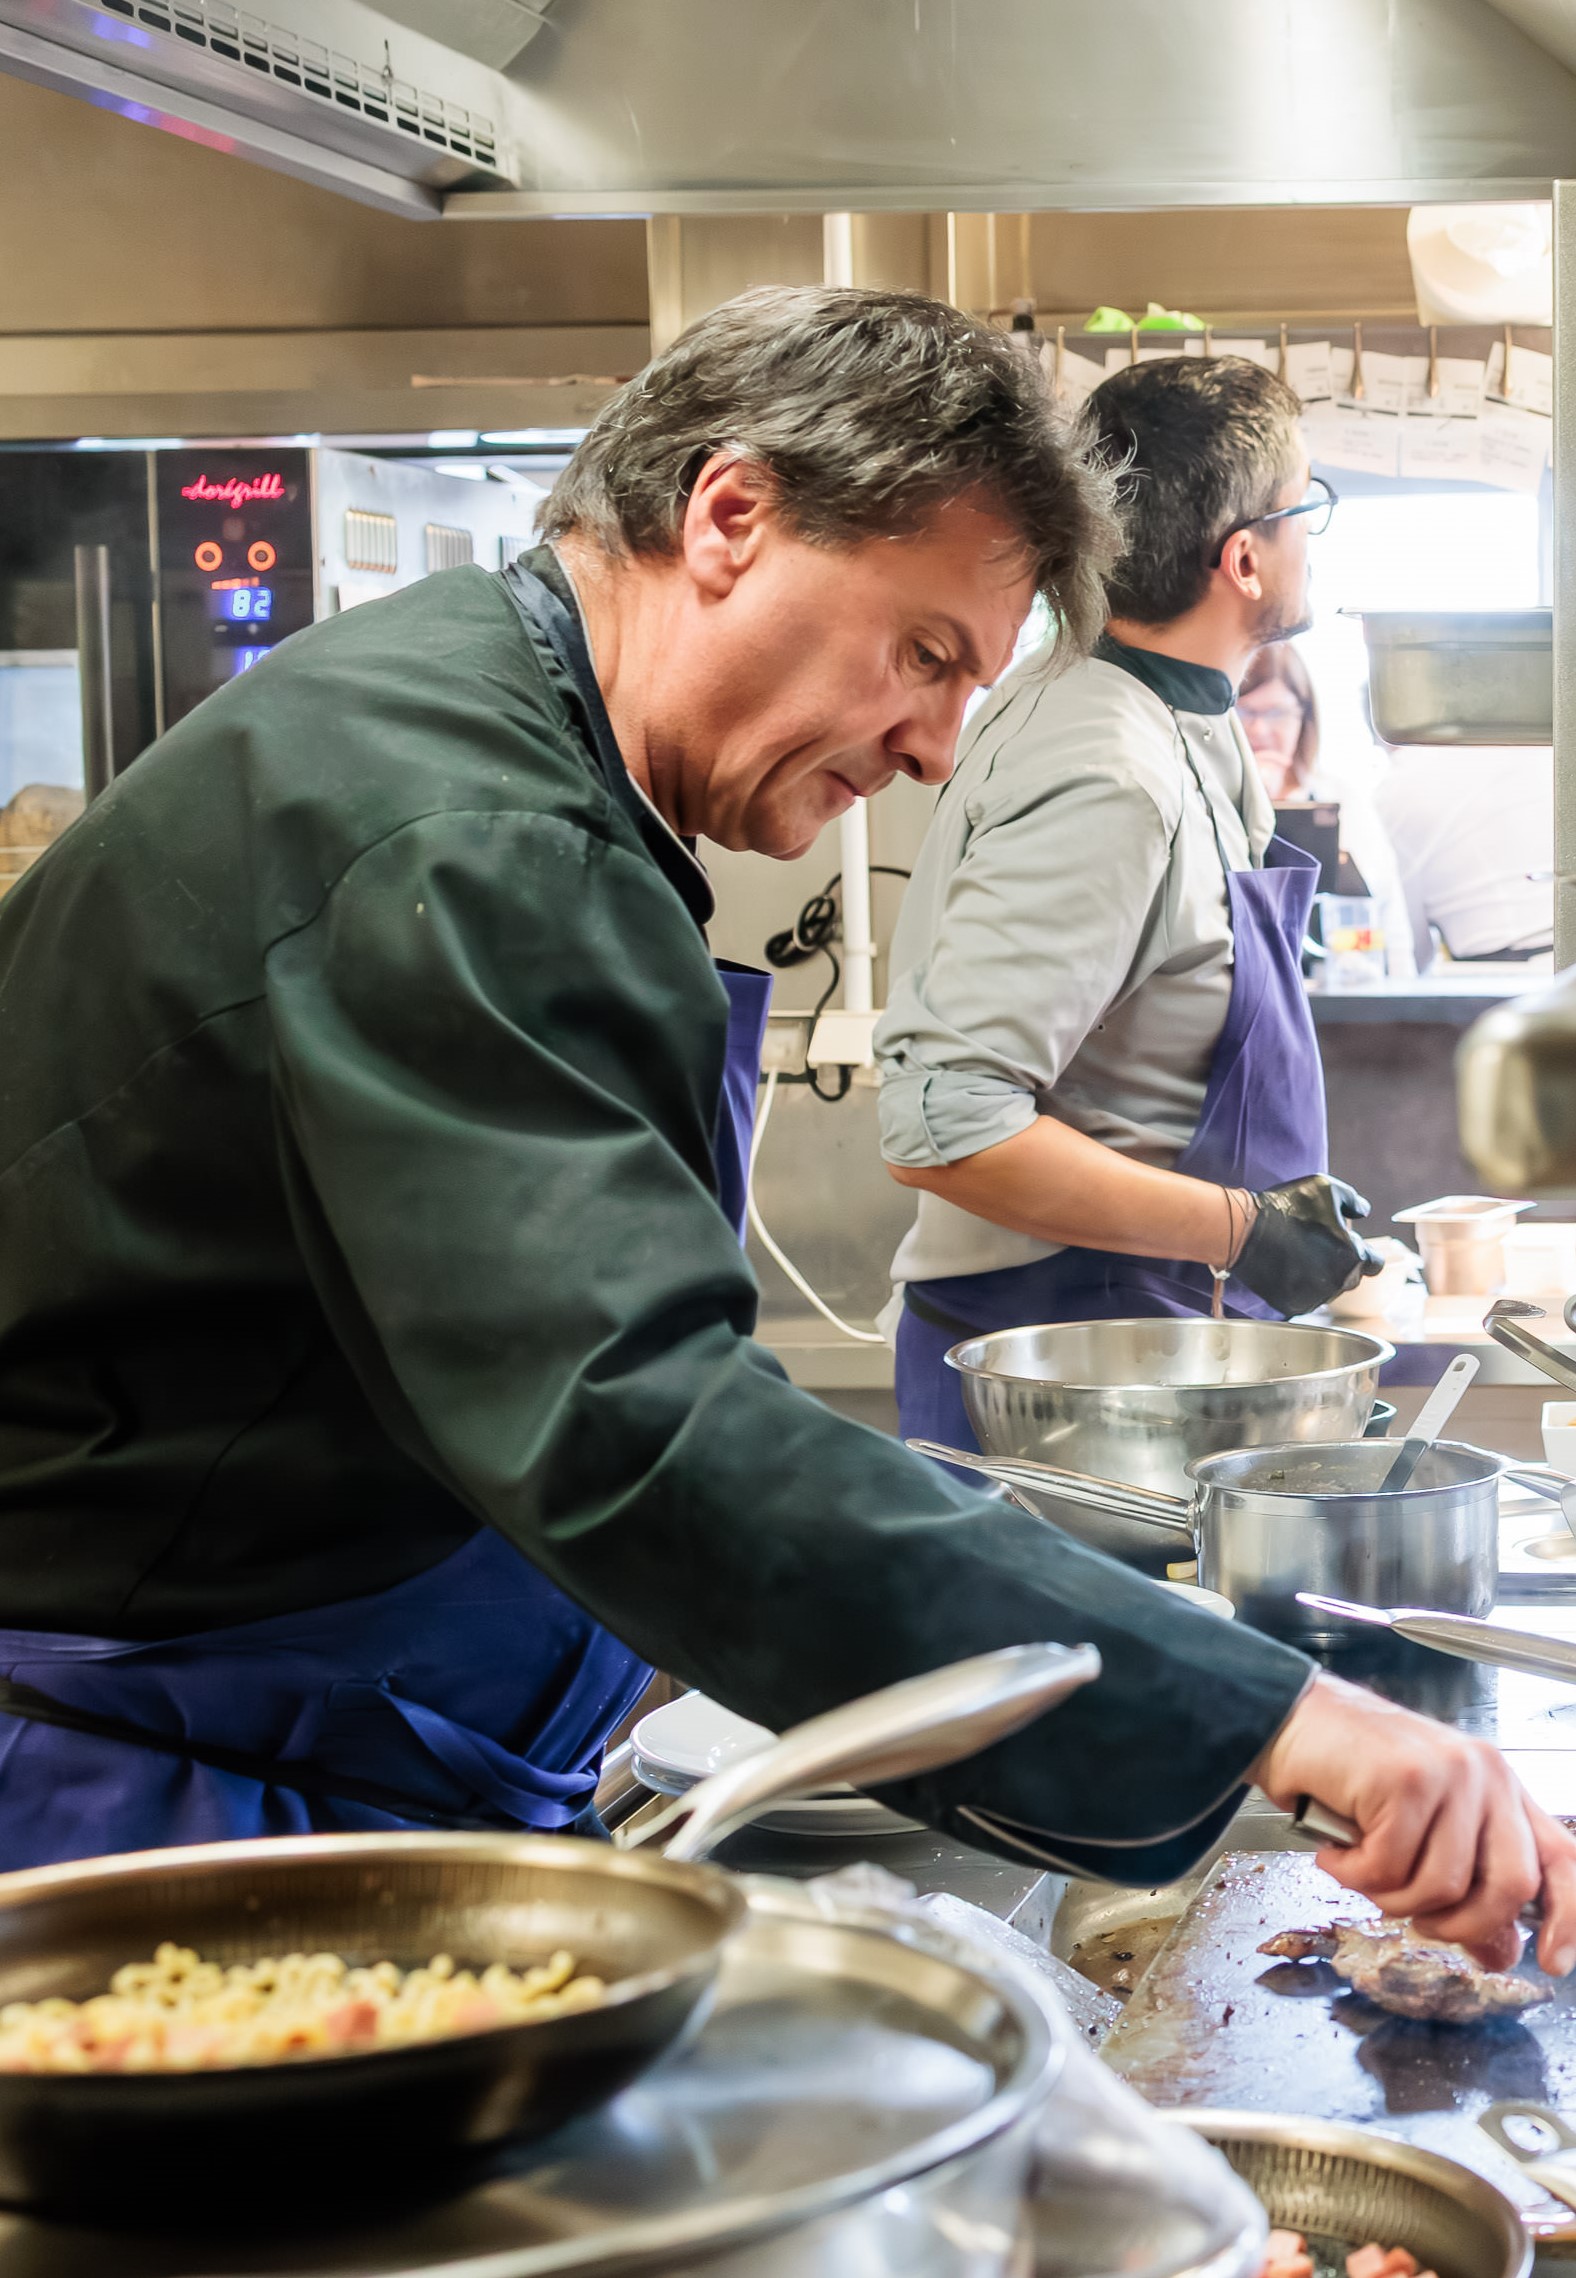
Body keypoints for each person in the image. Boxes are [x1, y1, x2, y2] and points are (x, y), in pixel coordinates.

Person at [0, 288, 1567, 1972]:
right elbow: (635, 1425)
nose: (936, 750)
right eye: (926, 654)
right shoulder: (459, 827)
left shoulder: (511, 745)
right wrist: (1269, 1713)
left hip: (358, 1755)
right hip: (172, 1804)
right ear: (730, 516)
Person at [876, 357, 1381, 1441]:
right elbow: (944, 1121)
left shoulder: (1176, 717)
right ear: (1243, 558)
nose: (1313, 538)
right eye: (1306, 510)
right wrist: (1243, 1228)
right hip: (1058, 1368)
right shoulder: (1104, 765)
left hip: (1141, 1337)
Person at [1236, 644, 1416, 980]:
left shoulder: (1340, 798)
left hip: (1341, 987)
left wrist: (1401, 992)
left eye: (1276, 713)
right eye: (1244, 712)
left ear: (1304, 717)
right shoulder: (1212, 803)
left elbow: (1387, 914)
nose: (1259, 731)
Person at [1375, 742, 1554, 972]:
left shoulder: (1397, 789)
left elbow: (1409, 947)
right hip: (1554, 960)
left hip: (1509, 973)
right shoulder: (1525, 742)